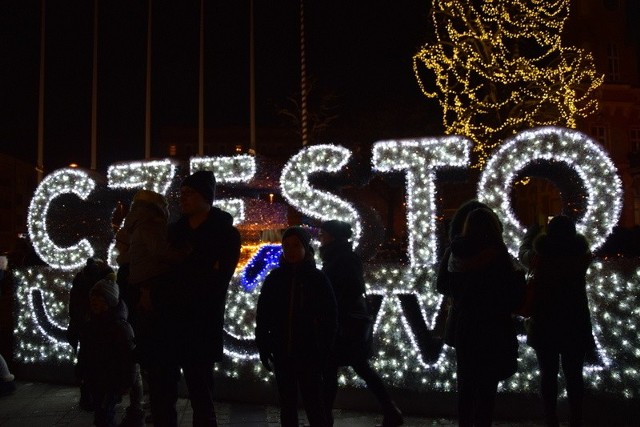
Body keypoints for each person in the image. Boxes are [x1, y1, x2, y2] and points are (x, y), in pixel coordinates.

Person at [147, 170, 241, 427]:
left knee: (201, 391)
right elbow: (160, 273)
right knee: (164, 392)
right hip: (168, 322)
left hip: (202, 323)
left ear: (205, 197)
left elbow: (218, 281)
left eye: (190, 193)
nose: (183, 198)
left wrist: (185, 272)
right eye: (182, 193)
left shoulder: (226, 234)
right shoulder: (174, 232)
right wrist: (198, 268)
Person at [436, 207, 525, 427]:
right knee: (487, 391)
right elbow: (512, 297)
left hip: (465, 326)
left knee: (465, 387)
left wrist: (461, 291)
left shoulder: (454, 252)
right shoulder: (498, 254)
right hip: (493, 327)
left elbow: (441, 285)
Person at [115, 189, 190, 426]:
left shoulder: (135, 228)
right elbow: (162, 252)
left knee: (153, 363)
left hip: (142, 290)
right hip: (154, 287)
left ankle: (158, 411)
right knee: (162, 366)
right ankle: (162, 415)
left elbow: (126, 259)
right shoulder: (150, 227)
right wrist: (185, 253)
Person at [318, 220, 403, 427]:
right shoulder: (338, 255)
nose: (320, 237)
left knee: (338, 370)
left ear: (332, 236)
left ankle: (324, 419)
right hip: (344, 323)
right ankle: (390, 410)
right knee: (355, 368)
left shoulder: (343, 257)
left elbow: (351, 289)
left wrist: (334, 306)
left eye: (324, 233)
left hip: (344, 324)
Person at [256, 226, 337, 427]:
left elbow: (330, 316)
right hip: (283, 352)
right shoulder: (275, 279)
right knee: (287, 405)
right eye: (287, 246)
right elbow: (264, 313)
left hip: (310, 353)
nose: (291, 250)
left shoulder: (317, 279)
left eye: (296, 246)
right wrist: (264, 344)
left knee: (314, 404)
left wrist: (324, 348)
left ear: (305, 248)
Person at [518, 215, 594, 427]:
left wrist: (531, 233)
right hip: (575, 324)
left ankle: (551, 419)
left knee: (548, 375)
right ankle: (576, 419)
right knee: (574, 376)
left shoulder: (539, 257)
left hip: (545, 325)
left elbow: (522, 254)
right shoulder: (582, 257)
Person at [76, 278, 136, 427]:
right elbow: (84, 350)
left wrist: (127, 382)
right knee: (100, 414)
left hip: (111, 380)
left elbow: (128, 357)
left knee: (104, 416)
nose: (94, 300)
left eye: (99, 297)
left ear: (109, 300)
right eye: (93, 297)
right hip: (94, 378)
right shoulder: (90, 323)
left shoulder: (119, 326)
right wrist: (81, 371)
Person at [67, 257, 115, 411]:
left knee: (86, 360)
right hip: (100, 324)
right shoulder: (106, 276)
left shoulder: (81, 276)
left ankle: (87, 396)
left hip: (84, 325)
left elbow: (73, 303)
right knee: (102, 361)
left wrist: (76, 321)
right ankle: (102, 397)